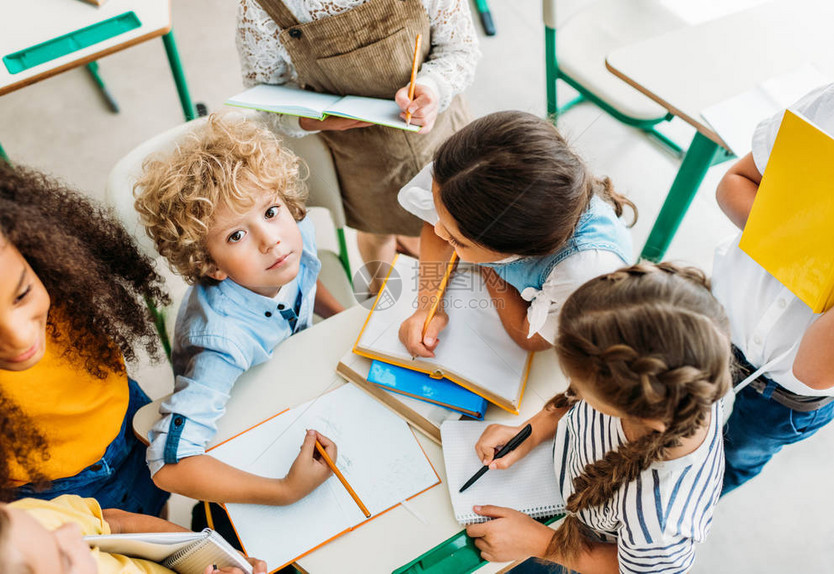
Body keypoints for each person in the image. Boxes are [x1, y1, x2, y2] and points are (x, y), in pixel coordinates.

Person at [465, 263, 732, 572]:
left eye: (582, 387)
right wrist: (532, 429)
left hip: (577, 548)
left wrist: (540, 543)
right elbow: (576, 401)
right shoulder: (686, 374)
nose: (573, 390)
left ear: (630, 408)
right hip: (561, 494)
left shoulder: (661, 520)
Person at [134, 112, 342, 505]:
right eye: (236, 235)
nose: (271, 240)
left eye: (270, 211)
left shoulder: (294, 235)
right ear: (210, 265)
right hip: (246, 401)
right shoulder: (220, 347)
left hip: (299, 370)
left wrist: (338, 318)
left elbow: (307, 282)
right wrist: (283, 491)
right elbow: (167, 465)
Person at [236, 0, 480, 290]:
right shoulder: (260, 8)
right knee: (378, 232)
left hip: (441, 134)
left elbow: (460, 48)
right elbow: (264, 96)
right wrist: (312, 121)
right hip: (361, 158)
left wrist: (433, 86)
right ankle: (380, 294)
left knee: (457, 225)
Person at [712, 79, 834, 495]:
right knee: (653, 421)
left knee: (730, 461)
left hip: (781, 394)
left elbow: (817, 368)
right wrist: (805, 246)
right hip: (720, 315)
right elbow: (736, 182)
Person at [0, 163, 170, 516]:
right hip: (55, 492)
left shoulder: (53, 268)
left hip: (130, 422)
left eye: (22, 295)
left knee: (161, 507)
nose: (18, 337)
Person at [398, 111, 636, 357]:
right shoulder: (473, 168)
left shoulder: (580, 276)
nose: (437, 229)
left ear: (509, 249)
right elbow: (441, 226)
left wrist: (487, 266)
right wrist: (428, 307)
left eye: (458, 240)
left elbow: (528, 338)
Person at [0, 495, 266, 574]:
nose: (71, 531)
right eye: (63, 557)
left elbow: (114, 522)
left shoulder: (19, 525)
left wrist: (209, 548)